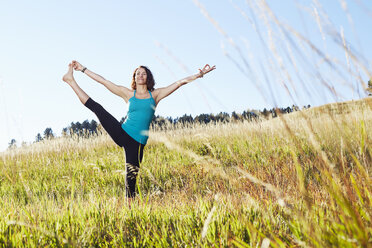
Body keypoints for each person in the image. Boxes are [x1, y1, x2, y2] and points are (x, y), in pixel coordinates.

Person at [62, 61, 216, 199]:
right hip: (122, 133)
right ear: (134, 77)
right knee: (97, 108)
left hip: (137, 144)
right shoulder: (128, 94)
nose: (140, 75)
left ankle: (130, 211)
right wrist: (83, 69)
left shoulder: (155, 95)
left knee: (132, 179)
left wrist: (199, 75)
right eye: (137, 73)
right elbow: (103, 81)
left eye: (143, 73)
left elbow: (179, 83)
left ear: (148, 77)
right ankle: (71, 81)